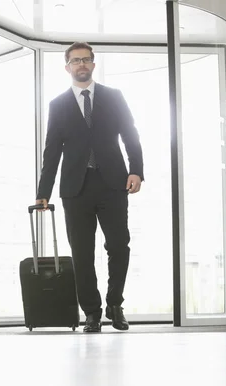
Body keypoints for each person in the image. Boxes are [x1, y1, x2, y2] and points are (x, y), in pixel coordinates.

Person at [35, 42, 144, 333]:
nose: (81, 65)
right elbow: (51, 151)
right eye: (75, 61)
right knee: (82, 253)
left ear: (93, 64)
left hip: (113, 183)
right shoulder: (58, 105)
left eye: (85, 60)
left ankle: (115, 304)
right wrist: (43, 192)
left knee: (119, 246)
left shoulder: (113, 97)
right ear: (67, 67)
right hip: (75, 188)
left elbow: (130, 136)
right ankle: (92, 313)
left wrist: (137, 171)